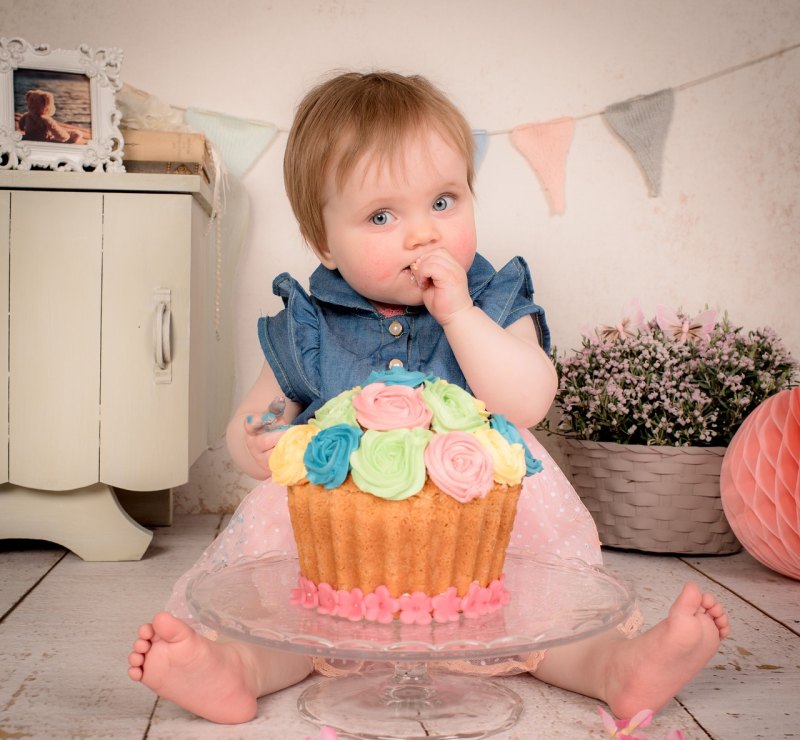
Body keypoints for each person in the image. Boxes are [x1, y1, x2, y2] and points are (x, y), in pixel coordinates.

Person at [128, 71, 730, 725]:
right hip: (345, 549)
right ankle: (234, 671)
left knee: (541, 619)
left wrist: (461, 316)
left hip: (488, 539)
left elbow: (529, 399)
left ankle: (618, 668)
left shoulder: (494, 298)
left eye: (443, 202)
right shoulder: (313, 323)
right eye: (383, 216)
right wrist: (263, 434)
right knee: (290, 617)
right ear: (323, 241)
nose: (423, 235)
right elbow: (258, 417)